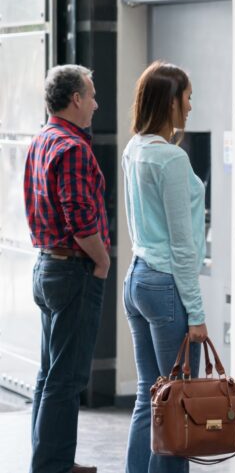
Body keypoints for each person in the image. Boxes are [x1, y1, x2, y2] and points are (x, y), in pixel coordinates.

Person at [121, 61, 208, 473]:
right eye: (187, 97)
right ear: (170, 101)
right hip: (164, 283)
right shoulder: (171, 159)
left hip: (137, 278)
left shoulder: (133, 149)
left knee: (148, 395)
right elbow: (183, 245)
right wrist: (197, 313)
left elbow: (136, 222)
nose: (191, 106)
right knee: (176, 402)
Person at [24, 64, 110, 473]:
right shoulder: (73, 147)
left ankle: (50, 458)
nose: (95, 104)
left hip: (46, 266)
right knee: (67, 377)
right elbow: (79, 217)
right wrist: (103, 258)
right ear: (75, 99)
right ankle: (53, 465)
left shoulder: (43, 139)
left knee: (50, 373)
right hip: (73, 269)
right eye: (91, 95)